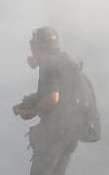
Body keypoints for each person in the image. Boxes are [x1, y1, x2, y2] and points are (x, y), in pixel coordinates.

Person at [13, 26, 81, 175]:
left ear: (40, 45)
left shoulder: (49, 64)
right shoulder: (66, 60)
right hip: (70, 133)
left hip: (54, 134)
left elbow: (53, 97)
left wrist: (31, 111)